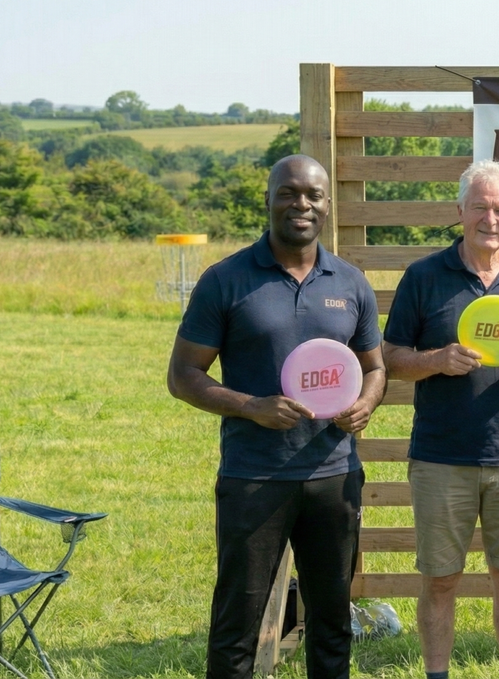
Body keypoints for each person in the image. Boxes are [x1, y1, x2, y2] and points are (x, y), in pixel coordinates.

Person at [167, 154, 385, 679]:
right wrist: (251, 407)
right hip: (254, 476)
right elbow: (183, 375)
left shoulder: (350, 282)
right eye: (288, 193)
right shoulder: (226, 279)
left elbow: (375, 368)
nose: (301, 204)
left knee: (332, 619)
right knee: (237, 622)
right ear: (267, 199)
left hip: (334, 476)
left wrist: (366, 403)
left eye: (313, 195)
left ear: (327, 206)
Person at [381, 160, 499, 679]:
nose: (490, 219)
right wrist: (437, 360)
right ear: (459, 210)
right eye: (480, 207)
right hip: (441, 456)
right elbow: (391, 357)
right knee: (440, 580)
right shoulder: (423, 276)